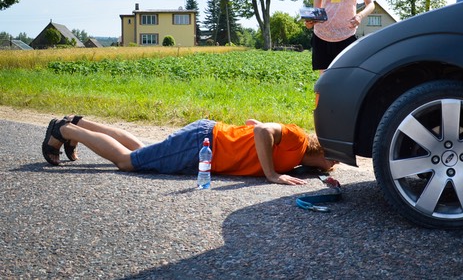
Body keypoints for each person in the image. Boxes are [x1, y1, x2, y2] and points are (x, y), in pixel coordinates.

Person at [41, 115, 337, 185]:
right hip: (201, 143)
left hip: (203, 137)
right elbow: (261, 130)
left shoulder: (296, 158)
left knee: (145, 150)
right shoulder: (298, 140)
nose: (332, 166)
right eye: (333, 162)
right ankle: (64, 130)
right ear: (323, 152)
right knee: (128, 161)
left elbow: (252, 123)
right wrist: (271, 174)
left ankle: (79, 122)